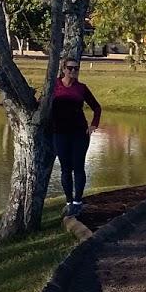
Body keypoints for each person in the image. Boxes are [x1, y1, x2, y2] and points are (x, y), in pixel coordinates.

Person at [51, 57, 101, 216]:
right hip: (59, 133)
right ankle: (69, 201)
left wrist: (93, 125)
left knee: (78, 167)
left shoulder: (81, 88)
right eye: (70, 68)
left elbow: (97, 108)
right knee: (65, 169)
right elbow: (42, 104)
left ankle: (78, 202)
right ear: (63, 69)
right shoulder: (54, 86)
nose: (73, 71)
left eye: (76, 69)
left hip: (79, 132)